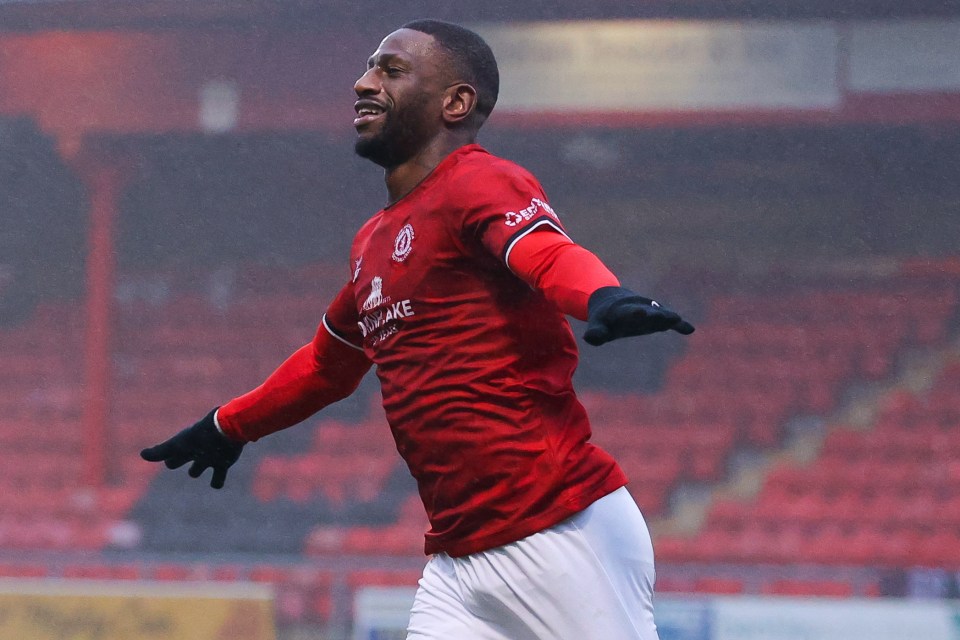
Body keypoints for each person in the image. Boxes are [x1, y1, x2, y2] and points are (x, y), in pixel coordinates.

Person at [141, 19, 694, 640]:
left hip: (559, 531)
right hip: (457, 560)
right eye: (368, 68)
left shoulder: (479, 181)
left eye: (391, 70)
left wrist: (602, 297)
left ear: (455, 102)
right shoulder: (373, 241)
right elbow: (328, 366)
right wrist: (228, 425)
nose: (363, 83)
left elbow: (543, 251)